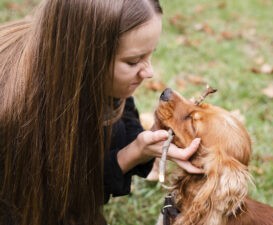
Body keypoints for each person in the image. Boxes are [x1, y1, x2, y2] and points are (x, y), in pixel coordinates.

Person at [0, 0, 202, 224]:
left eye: (150, 54)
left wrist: (147, 141)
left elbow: (123, 115)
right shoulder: (19, 117)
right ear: (84, 58)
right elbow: (62, 198)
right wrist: (131, 154)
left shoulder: (88, 77)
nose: (149, 72)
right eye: (133, 61)